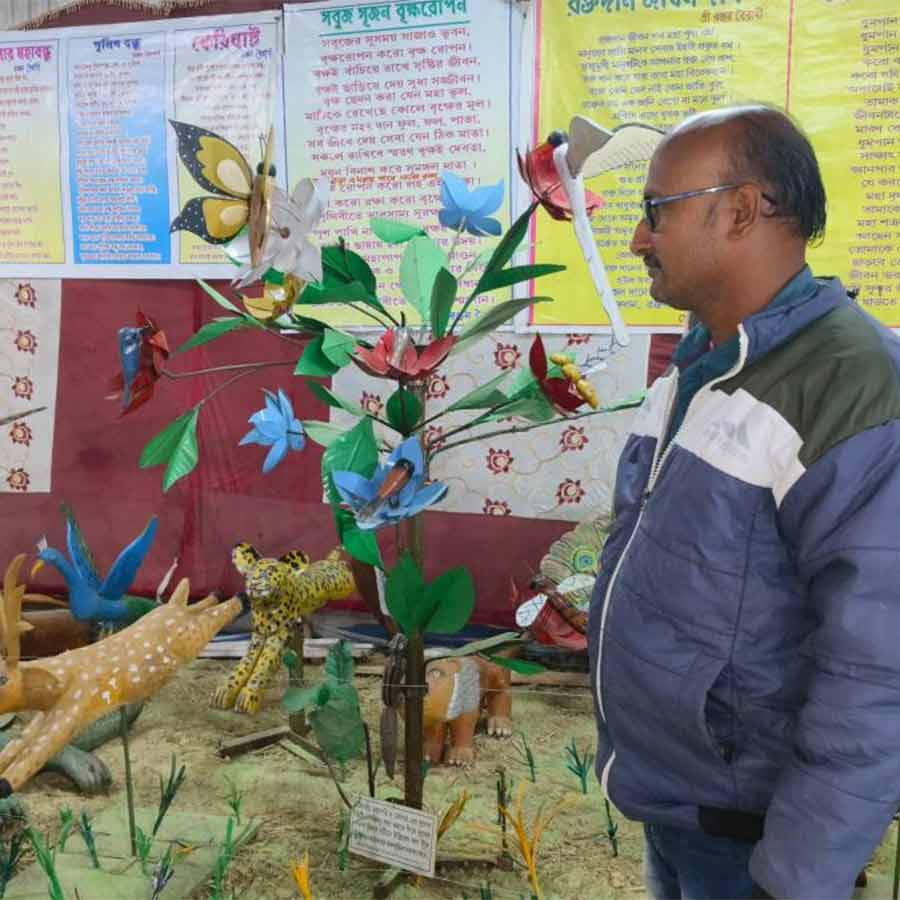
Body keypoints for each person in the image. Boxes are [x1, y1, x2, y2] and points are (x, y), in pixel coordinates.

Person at [588, 103, 900, 900]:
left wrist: (795, 878)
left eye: (656, 209)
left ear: (740, 210)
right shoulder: (702, 363)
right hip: (683, 813)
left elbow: (876, 674)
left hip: (759, 847)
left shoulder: (852, 387)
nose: (638, 238)